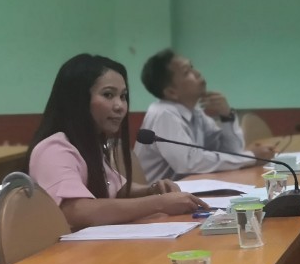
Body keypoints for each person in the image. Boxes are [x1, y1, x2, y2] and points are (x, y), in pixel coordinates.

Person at [29, 54, 207, 230]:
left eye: (123, 96)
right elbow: (76, 211)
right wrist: (159, 203)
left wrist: (152, 189)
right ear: (78, 98)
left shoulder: (89, 144)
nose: (120, 106)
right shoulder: (54, 149)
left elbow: (116, 188)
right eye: (108, 95)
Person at [135, 49, 274, 181]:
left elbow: (231, 151)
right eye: (187, 72)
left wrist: (226, 116)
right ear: (171, 92)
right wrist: (251, 157)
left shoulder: (195, 112)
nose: (197, 73)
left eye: (192, 67)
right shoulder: (163, 114)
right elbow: (189, 163)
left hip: (185, 189)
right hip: (153, 195)